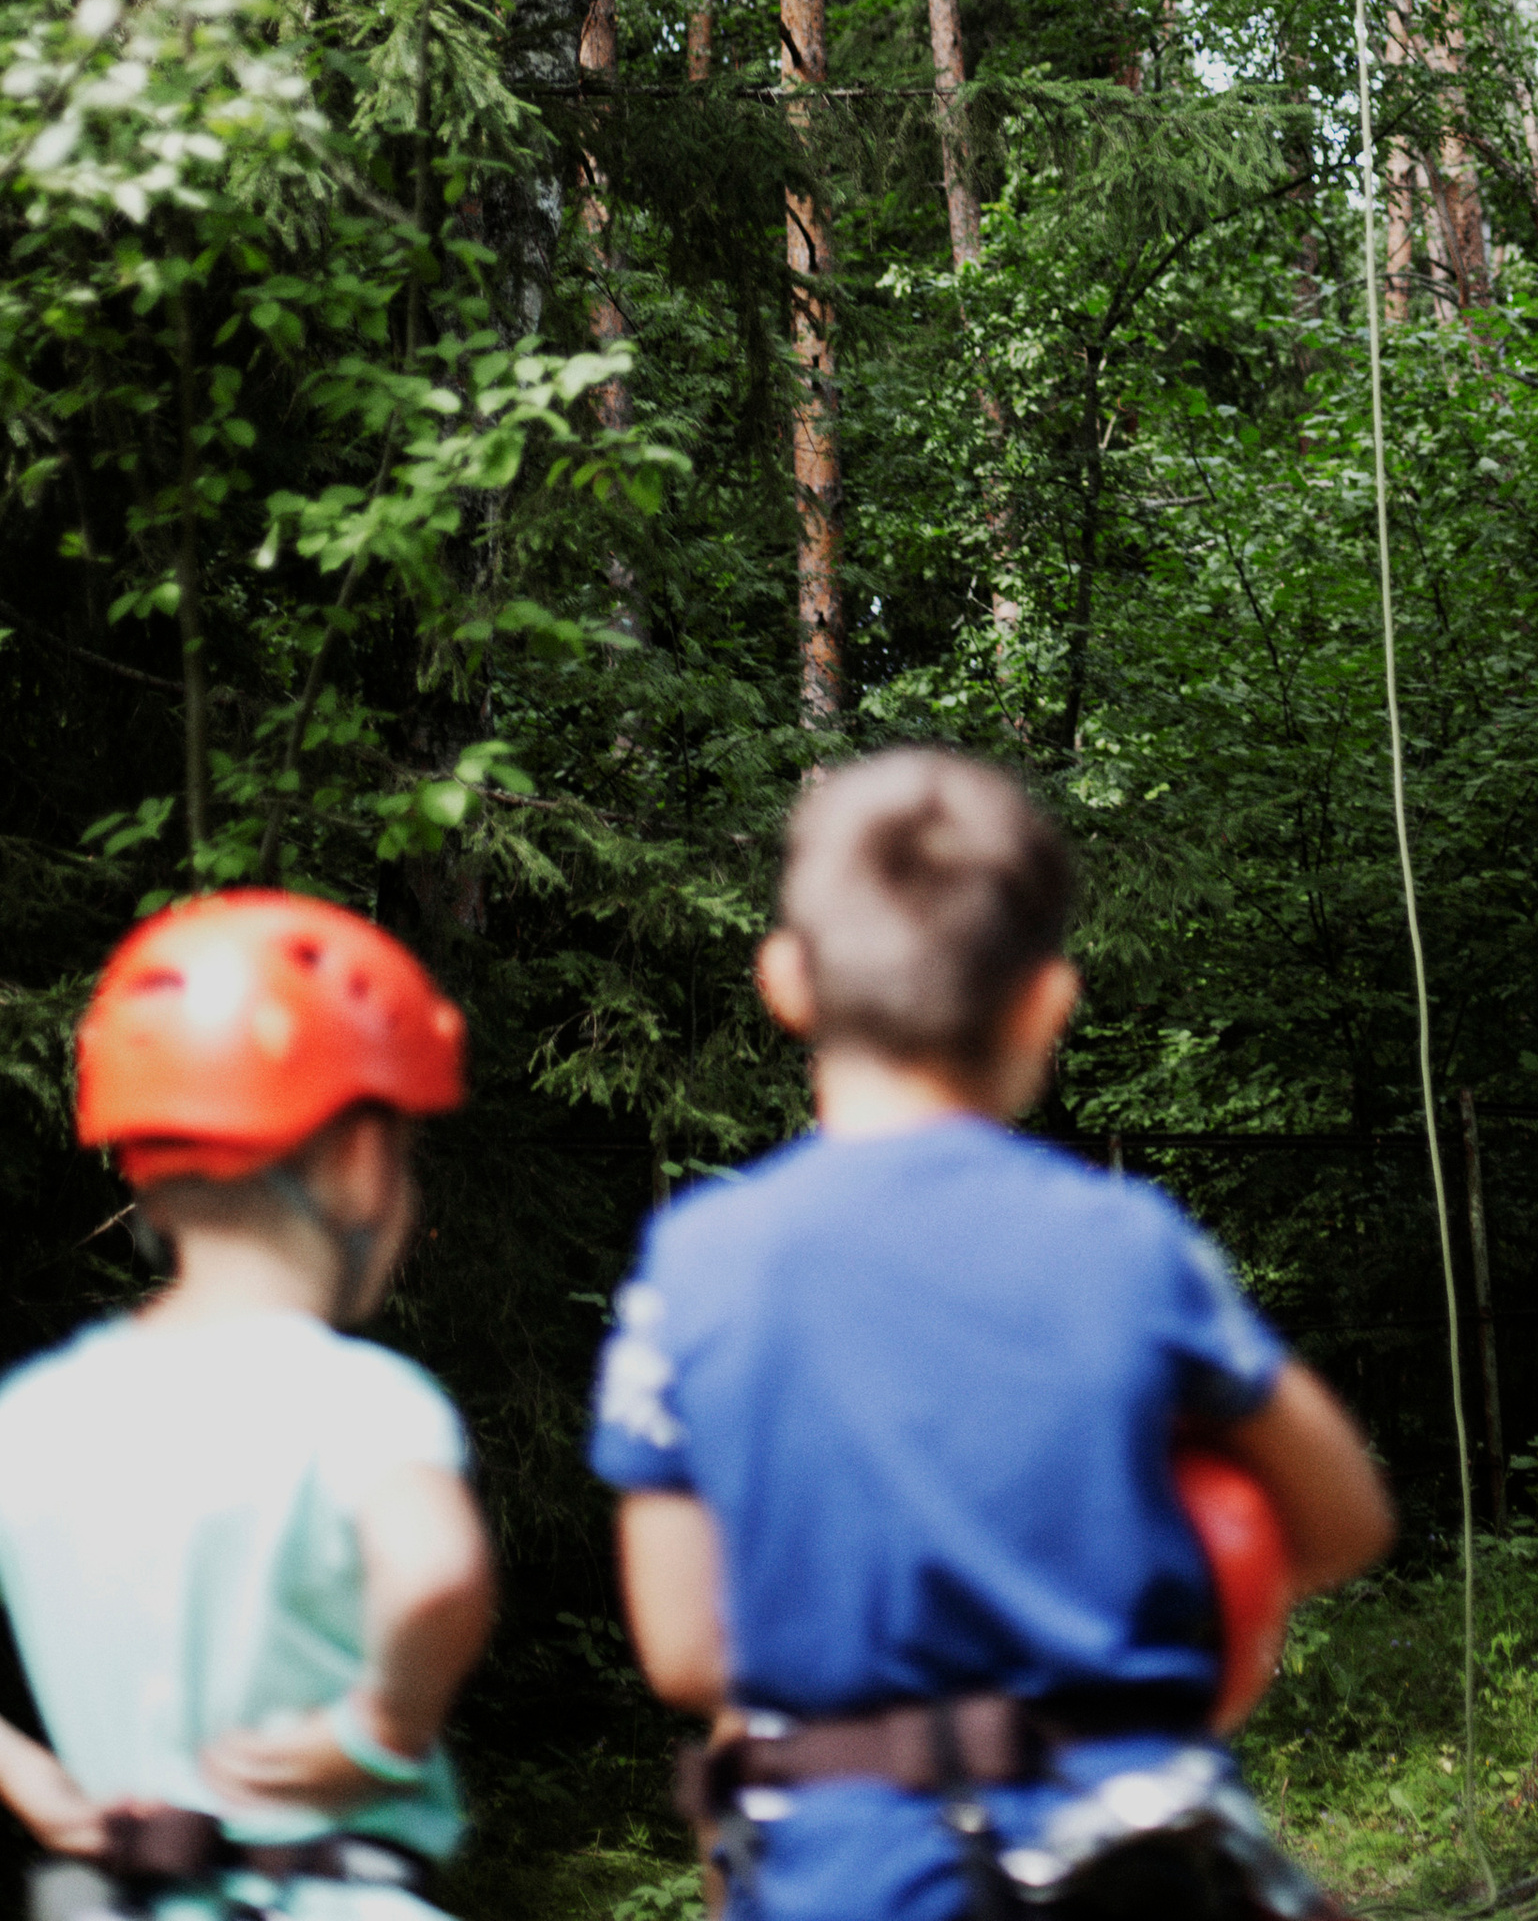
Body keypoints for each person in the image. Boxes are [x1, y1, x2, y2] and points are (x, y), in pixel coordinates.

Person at [592, 748, 1395, 1921]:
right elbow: (1343, 1519)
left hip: (844, 1877)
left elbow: (682, 1647)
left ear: (786, 983)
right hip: (1133, 1863)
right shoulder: (1128, 1245)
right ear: (1046, 1003)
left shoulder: (696, 1260)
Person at [0, 891, 493, 1921]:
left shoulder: (33, 1416)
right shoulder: (360, 1402)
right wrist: (381, 1733)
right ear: (360, 1163)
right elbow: (437, 1573)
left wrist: (29, 1780)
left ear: (142, 1162)